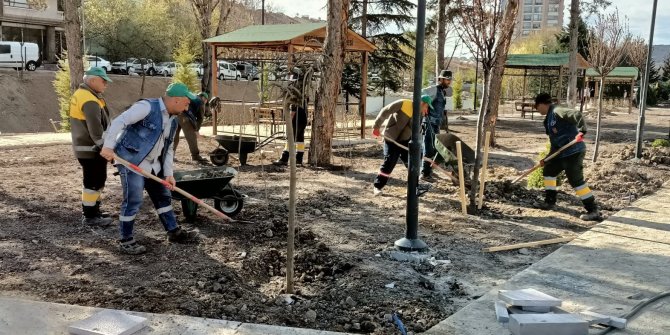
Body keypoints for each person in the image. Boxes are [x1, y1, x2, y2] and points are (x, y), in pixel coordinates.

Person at [100, 83, 199, 254]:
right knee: (134, 200)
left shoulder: (173, 121)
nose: (187, 106)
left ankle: (173, 231)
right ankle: (126, 240)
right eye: (186, 102)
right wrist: (108, 146)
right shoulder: (146, 107)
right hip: (131, 160)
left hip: (154, 164)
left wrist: (168, 174)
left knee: (162, 196)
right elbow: (120, 121)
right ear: (176, 100)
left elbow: (168, 149)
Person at [533, 93, 602, 221]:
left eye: (537, 107)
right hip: (561, 154)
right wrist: (547, 158)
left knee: (576, 181)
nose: (537, 110)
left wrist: (582, 131)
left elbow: (577, 115)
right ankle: (550, 202)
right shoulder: (547, 120)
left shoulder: (557, 110)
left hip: (574, 152)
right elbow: (555, 144)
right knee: (549, 171)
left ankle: (593, 210)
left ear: (541, 104)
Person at [69, 67, 114, 227]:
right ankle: (90, 216)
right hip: (91, 149)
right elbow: (96, 132)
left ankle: (94, 211)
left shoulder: (84, 95)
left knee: (96, 180)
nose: (106, 85)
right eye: (103, 81)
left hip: (86, 148)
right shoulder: (89, 100)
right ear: (93, 80)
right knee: (93, 182)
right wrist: (108, 150)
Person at [371, 95, 432, 196]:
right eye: (426, 106)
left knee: (412, 164)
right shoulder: (404, 103)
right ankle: (377, 187)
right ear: (422, 103)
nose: (426, 109)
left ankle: (414, 188)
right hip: (391, 138)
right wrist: (376, 126)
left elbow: (417, 132)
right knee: (389, 162)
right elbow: (385, 111)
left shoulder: (420, 114)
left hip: (406, 141)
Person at [421, 70, 452, 182]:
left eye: (450, 80)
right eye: (447, 79)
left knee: (434, 149)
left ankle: (428, 171)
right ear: (441, 79)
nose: (449, 82)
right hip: (429, 122)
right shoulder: (434, 89)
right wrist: (424, 104)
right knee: (428, 148)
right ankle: (424, 174)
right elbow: (421, 93)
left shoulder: (442, 92)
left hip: (436, 124)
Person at [173, 92, 209, 164]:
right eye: (206, 101)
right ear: (204, 98)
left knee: (174, 135)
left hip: (176, 114)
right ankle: (195, 156)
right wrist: (196, 129)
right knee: (191, 136)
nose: (205, 102)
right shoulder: (200, 102)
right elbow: (200, 118)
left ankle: (170, 155)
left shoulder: (193, 97)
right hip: (185, 117)